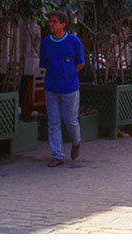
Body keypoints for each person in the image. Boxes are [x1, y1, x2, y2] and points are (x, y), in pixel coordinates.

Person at [39, 11, 85, 167]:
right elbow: (44, 63)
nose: (51, 24)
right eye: (50, 21)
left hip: (70, 87)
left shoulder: (74, 42)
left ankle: (76, 141)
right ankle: (57, 154)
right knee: (54, 121)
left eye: (54, 22)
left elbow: (80, 63)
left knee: (70, 120)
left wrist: (69, 74)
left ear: (63, 25)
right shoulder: (46, 43)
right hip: (51, 87)